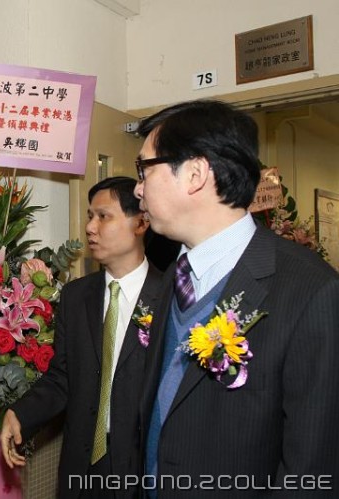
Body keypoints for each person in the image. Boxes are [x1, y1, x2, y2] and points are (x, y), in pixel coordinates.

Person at [134, 100, 339, 498]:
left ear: (194, 174)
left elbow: (312, 472)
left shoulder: (311, 291)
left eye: (145, 169)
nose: (138, 187)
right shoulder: (173, 275)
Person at [0, 176, 163, 498]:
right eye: (90, 216)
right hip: (82, 463)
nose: (90, 227)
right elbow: (63, 377)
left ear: (141, 222)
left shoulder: (171, 297)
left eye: (104, 216)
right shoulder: (76, 296)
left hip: (143, 466)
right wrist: (21, 413)